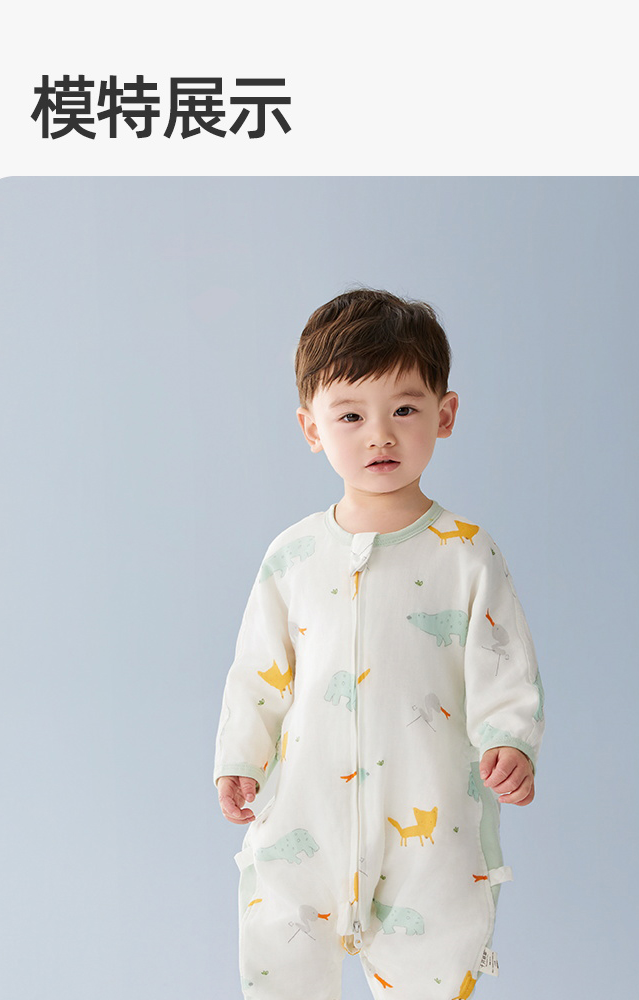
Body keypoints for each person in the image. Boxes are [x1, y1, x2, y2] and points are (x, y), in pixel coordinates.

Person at [215, 289, 545, 999]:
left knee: (434, 968)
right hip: (305, 816)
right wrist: (241, 756)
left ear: (444, 416)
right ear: (311, 428)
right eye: (350, 416)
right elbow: (259, 671)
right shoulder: (293, 555)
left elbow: (502, 663)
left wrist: (510, 740)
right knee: (281, 963)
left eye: (404, 410)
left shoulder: (466, 552)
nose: (379, 436)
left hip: (431, 818)